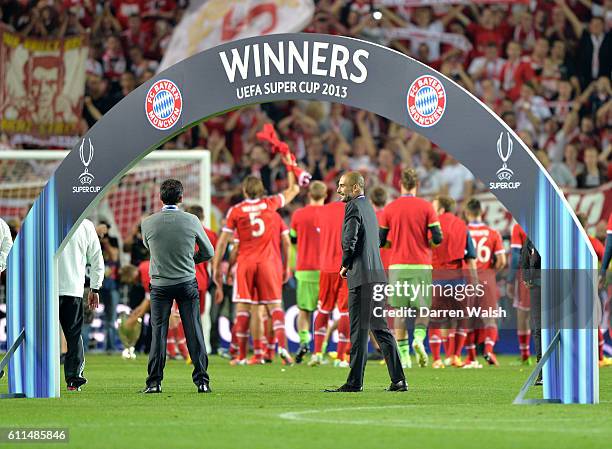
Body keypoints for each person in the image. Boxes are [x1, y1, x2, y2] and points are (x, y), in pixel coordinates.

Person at [212, 153, 300, 365]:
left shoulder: (236, 210)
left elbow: (223, 242)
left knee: (244, 309)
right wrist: (290, 167)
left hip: (246, 262)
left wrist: (216, 269)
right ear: (261, 190)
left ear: (244, 191)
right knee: (274, 307)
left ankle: (241, 356)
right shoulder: (270, 205)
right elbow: (294, 190)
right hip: (269, 262)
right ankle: (284, 351)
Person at [324, 171, 405, 393]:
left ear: (356, 188)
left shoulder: (353, 207)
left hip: (362, 277)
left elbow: (349, 240)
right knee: (381, 330)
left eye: (342, 186)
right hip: (377, 276)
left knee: (359, 331)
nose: (339, 190)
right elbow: (375, 240)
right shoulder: (369, 208)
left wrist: (346, 263)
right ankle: (398, 380)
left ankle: (354, 382)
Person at [141, 179, 214, 394]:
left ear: (160, 198)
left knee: (158, 333)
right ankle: (202, 381)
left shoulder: (147, 222)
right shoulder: (192, 220)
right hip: (186, 282)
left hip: (160, 284)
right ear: (181, 198)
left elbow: (150, 247)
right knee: (194, 331)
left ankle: (154, 383)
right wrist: (190, 260)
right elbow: (209, 251)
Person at [379, 168, 443, 368]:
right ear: (417, 185)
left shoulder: (390, 208)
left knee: (400, 310)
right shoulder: (427, 208)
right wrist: (426, 244)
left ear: (400, 185)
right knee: (423, 307)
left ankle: (404, 355)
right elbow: (438, 238)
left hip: (397, 265)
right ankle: (418, 338)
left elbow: (381, 241)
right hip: (421, 264)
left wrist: (395, 243)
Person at [429, 195, 477, 369]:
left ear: (441, 209)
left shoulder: (432, 224)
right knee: (459, 318)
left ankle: (436, 359)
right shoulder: (462, 225)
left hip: (436, 277)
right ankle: (455, 356)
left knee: (437, 319)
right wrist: (475, 281)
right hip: (458, 279)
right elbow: (470, 256)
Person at [57, 218, 104, 391]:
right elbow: (97, 257)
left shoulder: (44, 219)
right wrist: (95, 287)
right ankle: (74, 379)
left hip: (45, 289)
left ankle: (38, 375)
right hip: (73, 289)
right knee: (74, 335)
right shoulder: (85, 225)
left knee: (41, 335)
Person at [465, 198, 506, 367]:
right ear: (481, 213)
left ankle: (471, 356)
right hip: (487, 279)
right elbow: (502, 260)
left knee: (467, 319)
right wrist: (491, 272)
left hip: (467, 279)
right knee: (490, 319)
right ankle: (488, 350)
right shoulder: (493, 233)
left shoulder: (463, 231)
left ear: (467, 213)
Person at [289, 180, 326, 363]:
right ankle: (321, 349)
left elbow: (293, 240)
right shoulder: (330, 214)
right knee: (324, 311)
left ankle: (304, 341)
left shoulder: (298, 215)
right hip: (326, 269)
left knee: (304, 310)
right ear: (325, 196)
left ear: (309, 194)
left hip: (304, 268)